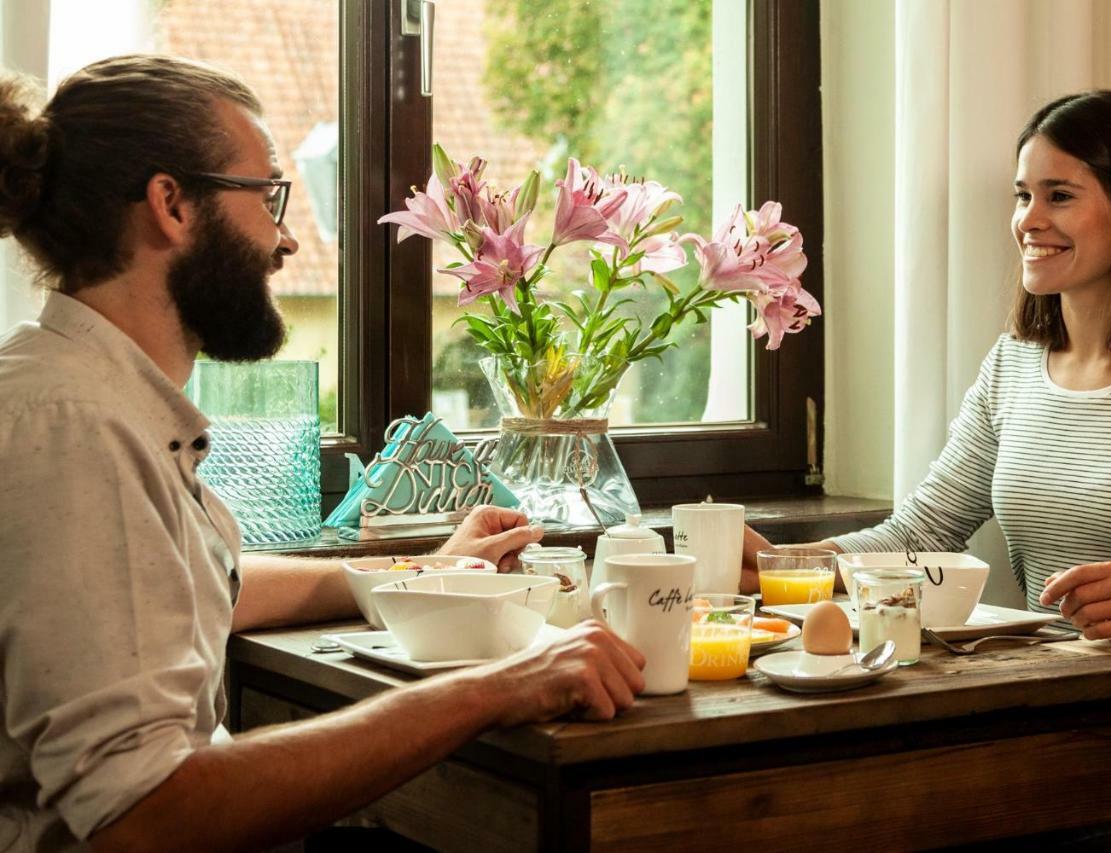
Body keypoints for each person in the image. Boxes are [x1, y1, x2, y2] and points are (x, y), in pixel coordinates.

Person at [0, 55, 645, 852]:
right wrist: (495, 689)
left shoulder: (92, 395)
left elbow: (196, 593)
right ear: (170, 203)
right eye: (268, 195)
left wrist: (419, 572)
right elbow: (146, 815)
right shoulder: (74, 427)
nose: (287, 238)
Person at [745, 90, 1111, 848]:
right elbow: (922, 529)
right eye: (1023, 194)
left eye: (1060, 195)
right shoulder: (1015, 366)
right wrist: (777, 563)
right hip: (1056, 714)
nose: (1028, 218)